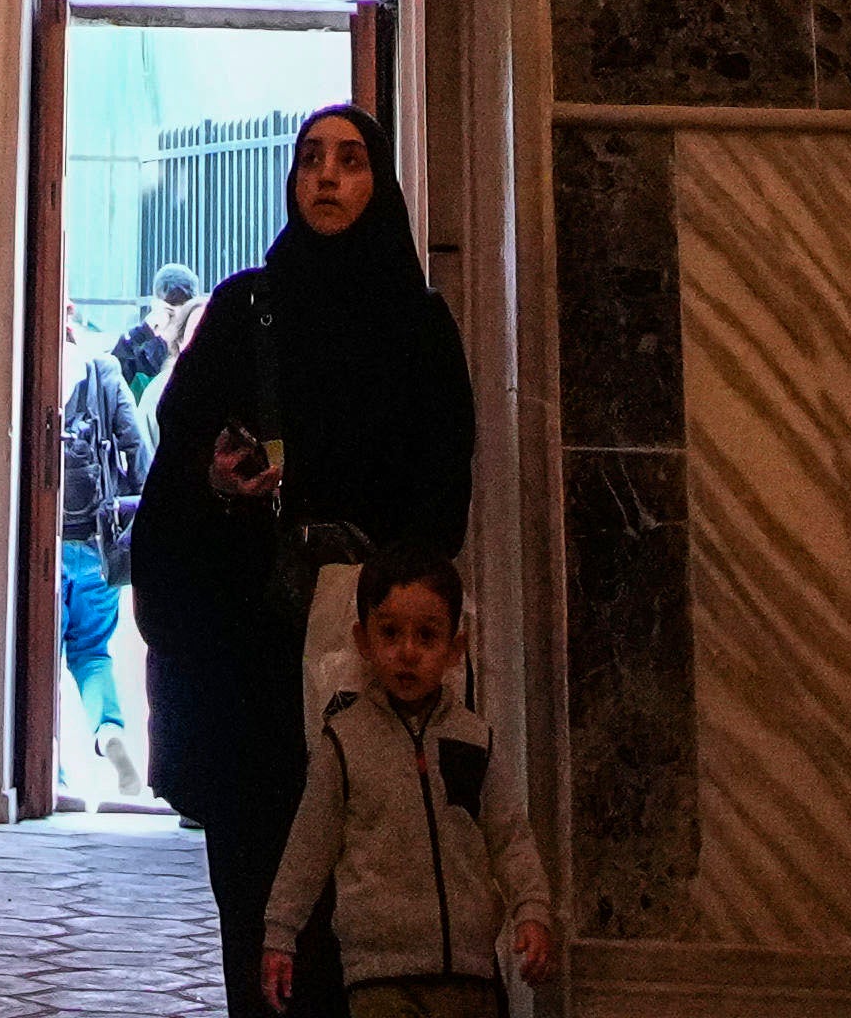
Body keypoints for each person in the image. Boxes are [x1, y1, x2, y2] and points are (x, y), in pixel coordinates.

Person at [136, 105, 472, 1018]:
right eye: (312, 160)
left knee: (368, 883)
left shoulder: (418, 327)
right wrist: (217, 476)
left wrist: (395, 610)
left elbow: (444, 489)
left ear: (382, 183)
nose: (327, 177)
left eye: (352, 160)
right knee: (259, 888)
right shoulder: (248, 310)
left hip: (372, 647)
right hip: (253, 645)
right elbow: (182, 454)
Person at [259, 555, 549, 1018]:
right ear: (363, 642)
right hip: (379, 976)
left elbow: (509, 836)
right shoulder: (345, 742)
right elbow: (309, 846)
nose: (408, 651)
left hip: (469, 974)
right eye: (390, 633)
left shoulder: (474, 739)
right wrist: (281, 932)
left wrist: (531, 908)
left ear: (456, 649)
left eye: (427, 636)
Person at [58, 302, 157, 797]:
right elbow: (136, 447)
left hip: (46, 549)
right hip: (99, 542)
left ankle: (51, 765)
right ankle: (110, 731)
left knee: (46, 655)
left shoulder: (37, 368)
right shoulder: (103, 368)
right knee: (93, 652)